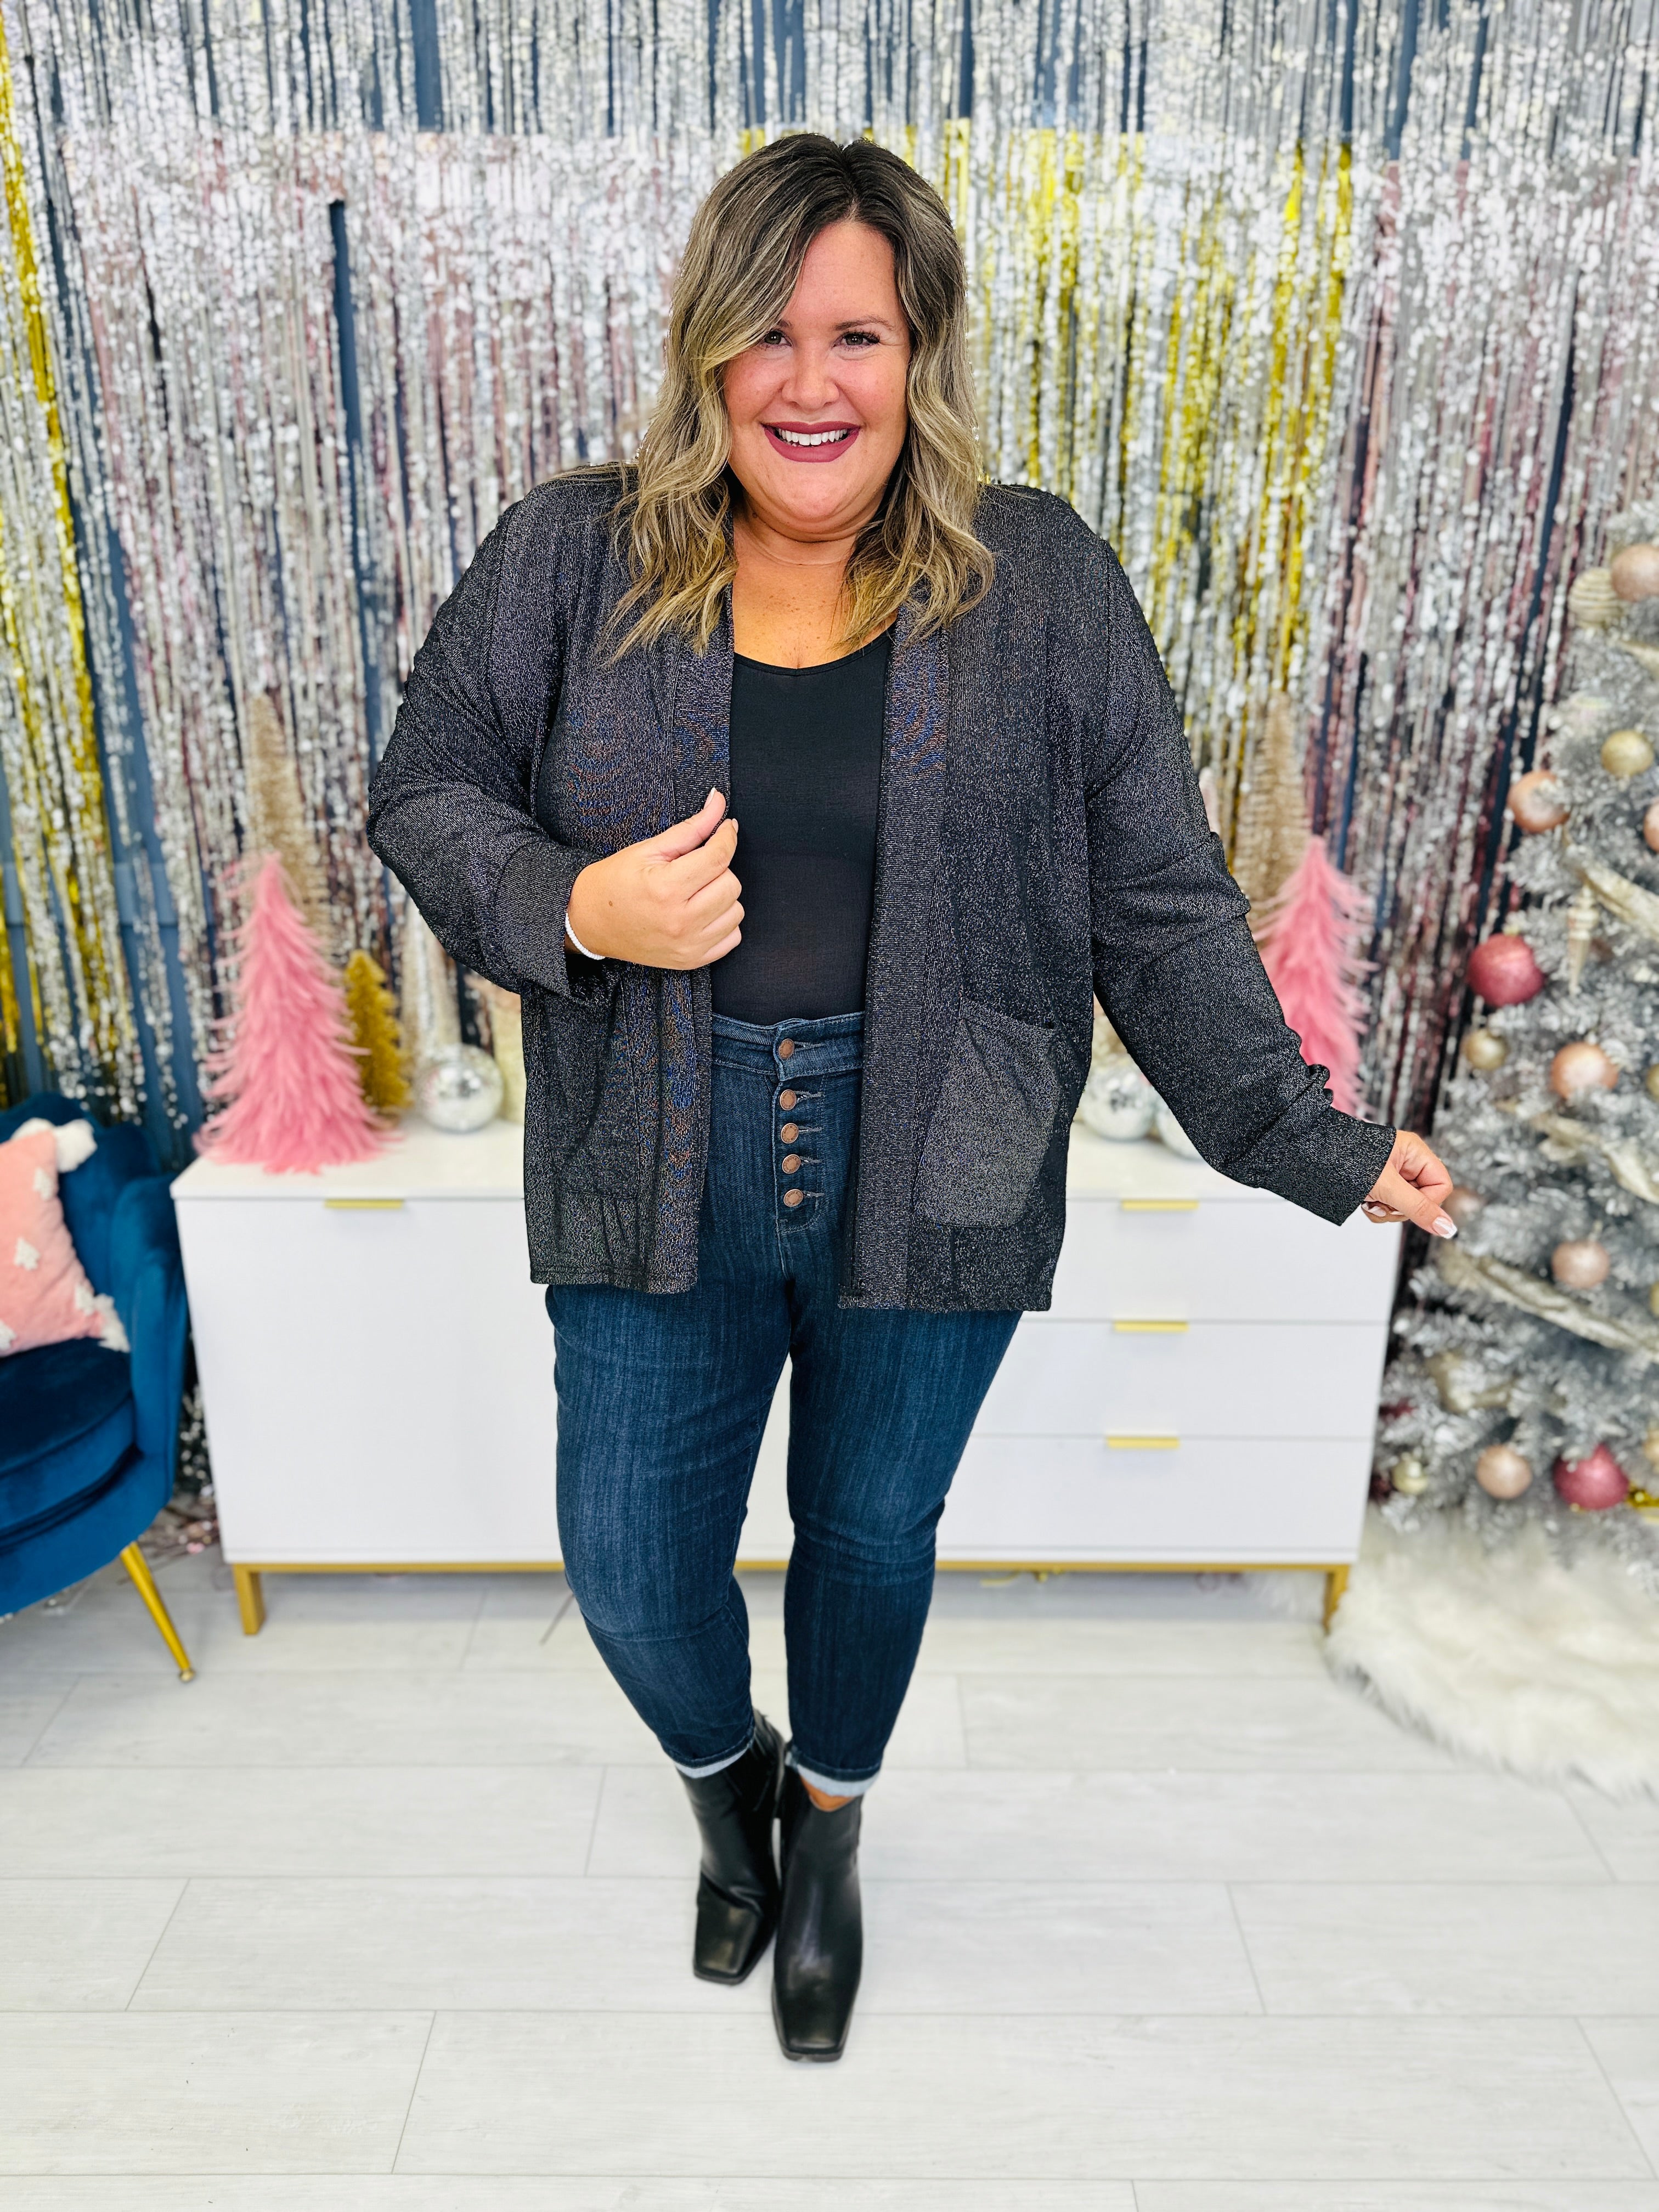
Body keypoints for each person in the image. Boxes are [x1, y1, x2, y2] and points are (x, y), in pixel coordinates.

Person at [367, 132, 1454, 2064]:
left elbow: (1155, 895)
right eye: (769, 334)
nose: (811, 383)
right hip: (649, 1151)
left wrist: (1307, 1136)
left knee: (870, 1537)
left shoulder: (1037, 581)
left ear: (921, 350)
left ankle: (833, 1834)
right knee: (630, 1566)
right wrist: (579, 906)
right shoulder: (571, 553)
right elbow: (429, 787)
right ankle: (733, 1790)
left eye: (856, 335)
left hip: (941, 1146)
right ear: (707, 350)